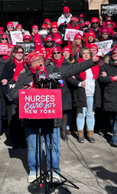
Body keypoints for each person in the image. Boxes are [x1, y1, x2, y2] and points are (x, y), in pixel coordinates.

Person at [16, 50, 95, 182]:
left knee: (53, 144)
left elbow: (72, 69)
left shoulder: (52, 70)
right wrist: (23, 92)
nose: (39, 62)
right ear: (30, 63)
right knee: (33, 146)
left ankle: (54, 171)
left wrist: (92, 61)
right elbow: (13, 95)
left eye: (41, 59)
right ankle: (34, 170)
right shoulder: (24, 75)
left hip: (51, 117)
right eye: (35, 61)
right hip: (32, 119)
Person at [68, 47, 99, 143]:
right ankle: (80, 133)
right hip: (81, 94)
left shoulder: (96, 66)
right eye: (84, 53)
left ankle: (90, 133)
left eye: (88, 53)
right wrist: (78, 83)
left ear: (91, 55)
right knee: (81, 114)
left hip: (92, 94)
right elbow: (71, 78)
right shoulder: (78, 66)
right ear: (81, 55)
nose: (86, 55)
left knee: (91, 114)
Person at [102, 46, 117, 148]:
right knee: (112, 118)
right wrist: (113, 78)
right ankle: (114, 131)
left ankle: (115, 139)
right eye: (114, 52)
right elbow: (102, 79)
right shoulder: (106, 66)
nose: (115, 54)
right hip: (110, 95)